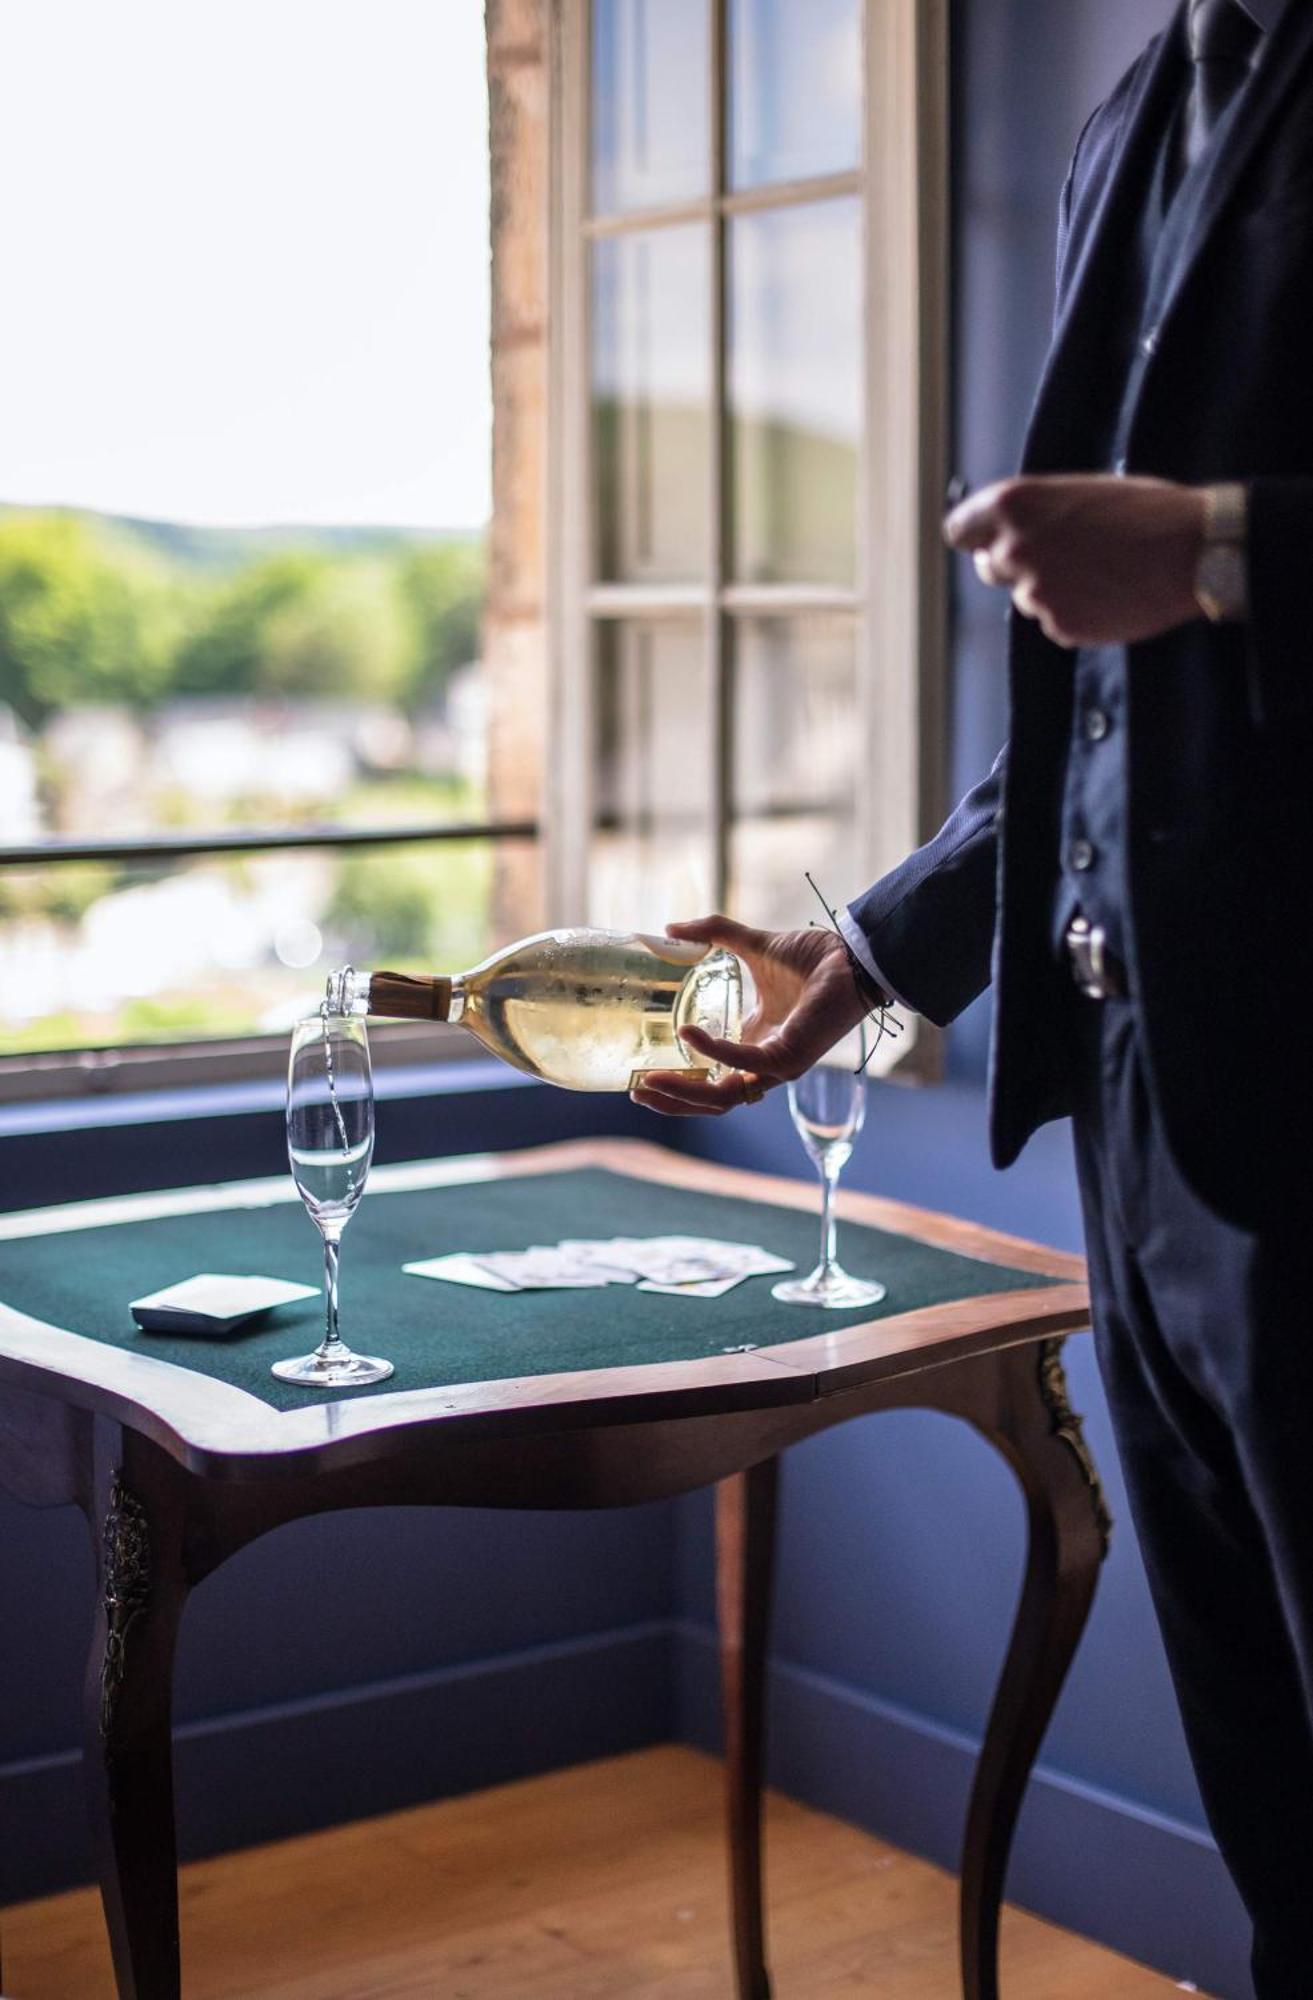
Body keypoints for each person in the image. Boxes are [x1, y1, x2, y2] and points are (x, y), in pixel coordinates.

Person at [631, 1, 1313, 1990]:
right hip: (1137, 1120)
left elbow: (1165, 590)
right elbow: (1088, 702)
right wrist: (851, 967)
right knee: (1268, 1790)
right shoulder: (1131, 118)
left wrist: (1227, 550)